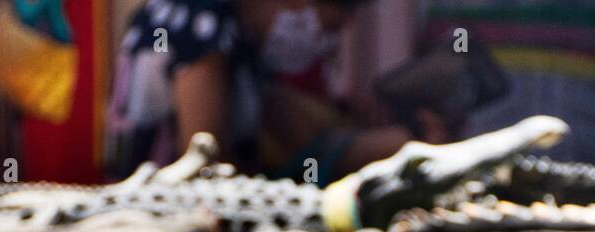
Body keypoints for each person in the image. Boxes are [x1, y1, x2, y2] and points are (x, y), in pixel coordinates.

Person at [105, 0, 444, 183]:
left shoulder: (241, 42)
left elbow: (306, 136)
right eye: (327, 28)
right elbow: (203, 165)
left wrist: (399, 137)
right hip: (157, 219)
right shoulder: (202, 22)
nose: (325, 45)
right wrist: (409, 147)